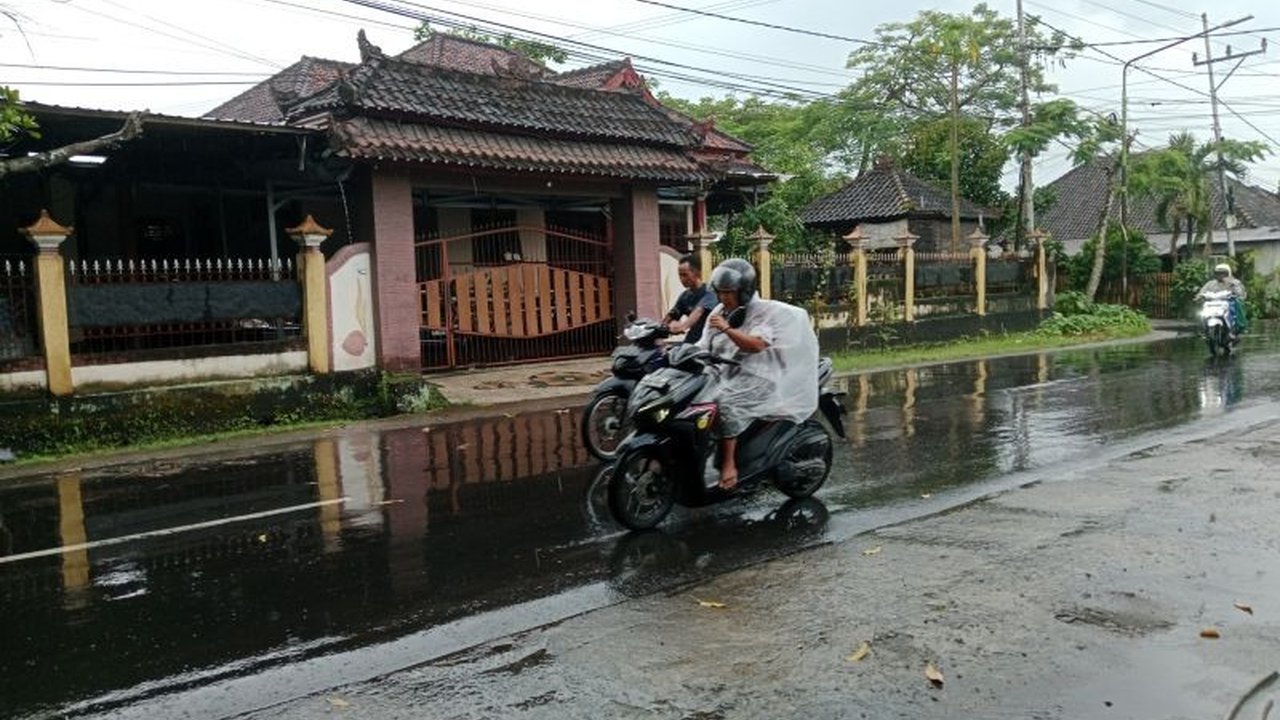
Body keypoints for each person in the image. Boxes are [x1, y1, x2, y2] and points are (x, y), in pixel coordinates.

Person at [696, 258, 818, 490]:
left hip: (760, 376)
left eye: (729, 292)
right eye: (720, 292)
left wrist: (727, 328)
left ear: (744, 291)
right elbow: (704, 343)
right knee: (693, 403)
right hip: (726, 373)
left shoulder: (762, 313)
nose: (723, 298)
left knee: (725, 403)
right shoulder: (721, 311)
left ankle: (729, 465)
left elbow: (756, 345)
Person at [664, 254, 717, 344]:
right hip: (692, 340)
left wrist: (683, 326)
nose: (682, 279)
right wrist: (660, 327)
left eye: (685, 275)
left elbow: (699, 310)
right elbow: (673, 314)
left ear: (697, 273)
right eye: (680, 275)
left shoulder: (709, 292)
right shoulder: (685, 296)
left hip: (709, 341)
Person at [1196, 263, 1248, 337]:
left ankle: (1236, 328)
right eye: (1218, 273)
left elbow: (1240, 292)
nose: (1220, 276)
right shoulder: (1210, 284)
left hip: (1227, 304)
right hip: (1212, 305)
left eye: (1223, 273)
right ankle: (1204, 330)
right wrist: (1199, 296)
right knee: (1201, 314)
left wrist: (1237, 294)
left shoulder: (1234, 282)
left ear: (1228, 273)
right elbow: (1202, 291)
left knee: (1236, 308)